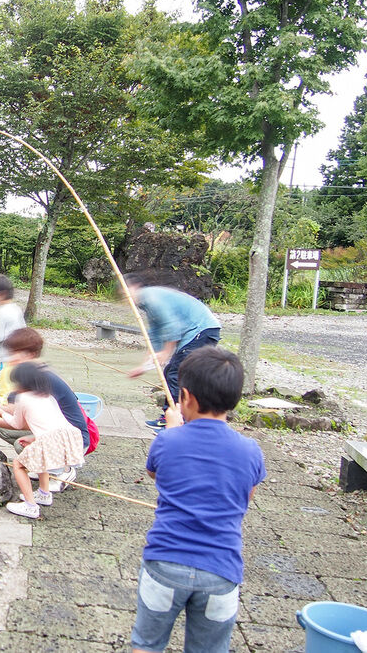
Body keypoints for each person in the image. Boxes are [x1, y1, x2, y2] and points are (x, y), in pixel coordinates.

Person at [130, 346, 265, 653]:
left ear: (186, 397)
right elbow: (247, 495)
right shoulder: (251, 450)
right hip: (221, 570)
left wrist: (174, 431)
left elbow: (157, 476)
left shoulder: (167, 440)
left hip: (165, 563)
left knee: (147, 644)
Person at [0, 327, 90, 491]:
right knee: (4, 431)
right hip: (62, 435)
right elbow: (16, 410)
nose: (10, 357)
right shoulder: (29, 374)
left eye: (16, 352)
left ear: (30, 354)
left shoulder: (41, 380)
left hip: (72, 441)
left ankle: (63, 470)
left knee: (22, 445)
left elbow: (26, 423)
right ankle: (47, 468)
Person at [0, 362, 85, 519]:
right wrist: (34, 438)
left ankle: (31, 506)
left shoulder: (23, 398)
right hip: (67, 435)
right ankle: (44, 494)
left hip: (50, 439)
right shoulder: (46, 395)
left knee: (18, 465)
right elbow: (49, 423)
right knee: (42, 460)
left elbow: (16, 424)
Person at [123, 274, 221, 430]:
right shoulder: (146, 302)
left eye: (126, 292)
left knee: (176, 374)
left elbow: (171, 326)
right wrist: (143, 367)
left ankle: (177, 420)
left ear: (135, 287)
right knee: (172, 372)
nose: (125, 297)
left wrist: (166, 352)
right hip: (199, 331)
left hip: (201, 330)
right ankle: (168, 416)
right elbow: (155, 334)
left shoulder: (150, 297)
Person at [0, 275, 25, 402]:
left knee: (5, 392)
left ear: (1, 294)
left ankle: (5, 417)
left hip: (8, 359)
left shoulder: (2, 312)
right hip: (21, 358)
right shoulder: (15, 308)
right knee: (18, 390)